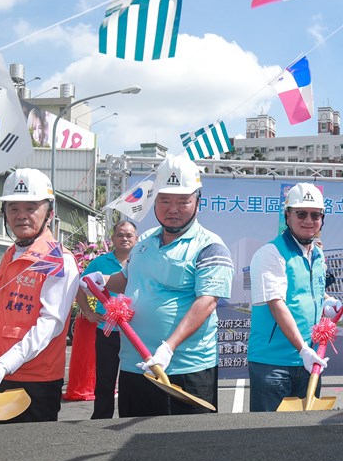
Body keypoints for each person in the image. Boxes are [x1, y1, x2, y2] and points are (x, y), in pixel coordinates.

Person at [83, 155, 233, 417]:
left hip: (186, 369)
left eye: (182, 201)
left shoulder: (210, 246)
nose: (172, 208)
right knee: (135, 454)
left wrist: (168, 347)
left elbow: (207, 302)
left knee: (187, 447)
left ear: (198, 201)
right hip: (135, 365)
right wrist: (101, 280)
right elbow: (127, 279)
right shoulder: (144, 241)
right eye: (164, 200)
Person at [0, 169, 80, 423]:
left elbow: (50, 324)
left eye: (31, 207)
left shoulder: (57, 259)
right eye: (13, 208)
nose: (21, 216)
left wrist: (4, 364)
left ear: (49, 212)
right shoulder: (13, 253)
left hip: (34, 381)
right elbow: (7, 302)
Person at [248, 183, 339, 412]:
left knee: (305, 437)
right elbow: (276, 304)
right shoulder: (271, 253)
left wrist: (329, 303)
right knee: (270, 437)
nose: (309, 220)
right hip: (274, 364)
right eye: (301, 214)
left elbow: (313, 293)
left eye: (315, 215)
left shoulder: (317, 254)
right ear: (287, 216)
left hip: (309, 361)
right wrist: (303, 349)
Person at [74, 220, 137, 419]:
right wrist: (88, 312)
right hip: (107, 330)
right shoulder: (100, 262)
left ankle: (129, 415)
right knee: (105, 378)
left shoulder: (141, 262)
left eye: (129, 235)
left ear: (136, 239)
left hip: (135, 332)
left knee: (132, 379)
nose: (125, 238)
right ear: (112, 239)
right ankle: (101, 417)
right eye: (120, 235)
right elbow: (80, 287)